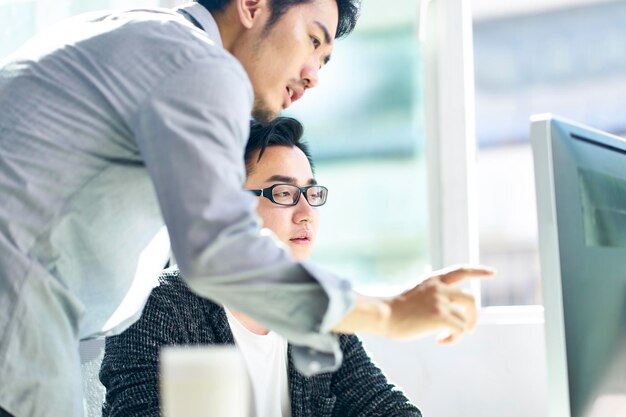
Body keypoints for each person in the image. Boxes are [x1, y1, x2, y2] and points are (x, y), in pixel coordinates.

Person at [0, 0, 493, 415]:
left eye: (325, 61)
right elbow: (218, 251)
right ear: (253, 4)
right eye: (312, 40)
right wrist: (390, 311)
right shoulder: (197, 63)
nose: (313, 75)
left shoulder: (140, 40)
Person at [99, 117, 423, 417]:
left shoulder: (317, 309)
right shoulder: (156, 308)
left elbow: (384, 406)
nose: (305, 212)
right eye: (284, 193)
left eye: (311, 193)